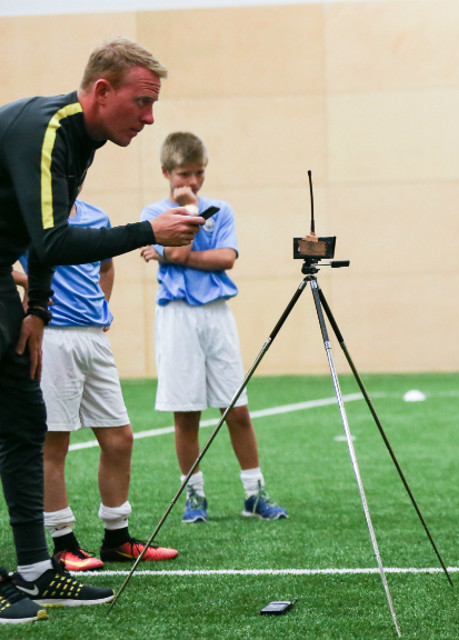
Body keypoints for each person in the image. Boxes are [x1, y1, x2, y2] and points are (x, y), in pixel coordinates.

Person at [0, 37, 201, 623]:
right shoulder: (47, 130)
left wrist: (38, 310)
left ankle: (36, 570)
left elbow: (43, 236)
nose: (150, 117)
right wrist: (148, 231)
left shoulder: (82, 141)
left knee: (24, 421)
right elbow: (54, 240)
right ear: (102, 91)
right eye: (142, 101)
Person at [16, 201, 179, 573]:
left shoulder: (96, 215)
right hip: (51, 337)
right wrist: (26, 284)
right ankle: (63, 543)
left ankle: (117, 538)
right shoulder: (28, 211)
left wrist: (101, 306)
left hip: (94, 338)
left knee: (120, 438)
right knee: (53, 444)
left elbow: (106, 265)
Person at [140, 131, 288, 525]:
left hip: (216, 314)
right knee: (186, 413)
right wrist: (188, 213)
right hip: (177, 316)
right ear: (165, 172)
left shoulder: (221, 209)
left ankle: (254, 493)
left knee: (236, 408)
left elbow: (225, 259)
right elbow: (181, 249)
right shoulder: (153, 214)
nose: (192, 182)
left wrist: (170, 256)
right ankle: (194, 495)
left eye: (199, 173)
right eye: (184, 174)